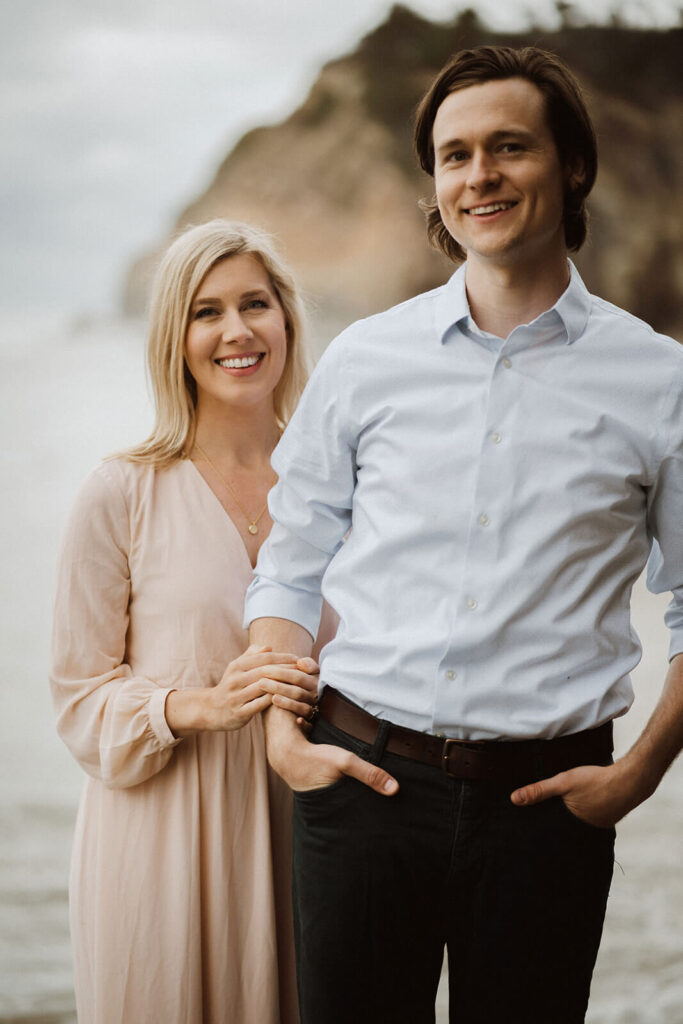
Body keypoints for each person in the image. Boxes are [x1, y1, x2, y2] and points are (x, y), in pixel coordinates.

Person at [243, 46, 683, 1024]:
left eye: (506, 147)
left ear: (571, 165)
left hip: (548, 808)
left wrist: (638, 772)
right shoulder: (365, 359)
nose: (475, 175)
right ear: (433, 184)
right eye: (452, 155)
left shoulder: (657, 379)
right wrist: (281, 736)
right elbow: (292, 554)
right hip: (356, 785)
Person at [50, 219, 325, 1023]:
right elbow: (76, 702)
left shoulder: (337, 485)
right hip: (164, 840)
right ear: (175, 336)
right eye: (206, 312)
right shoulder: (121, 491)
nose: (235, 331)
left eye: (254, 304)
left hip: (311, 832)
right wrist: (194, 705)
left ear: (286, 319)